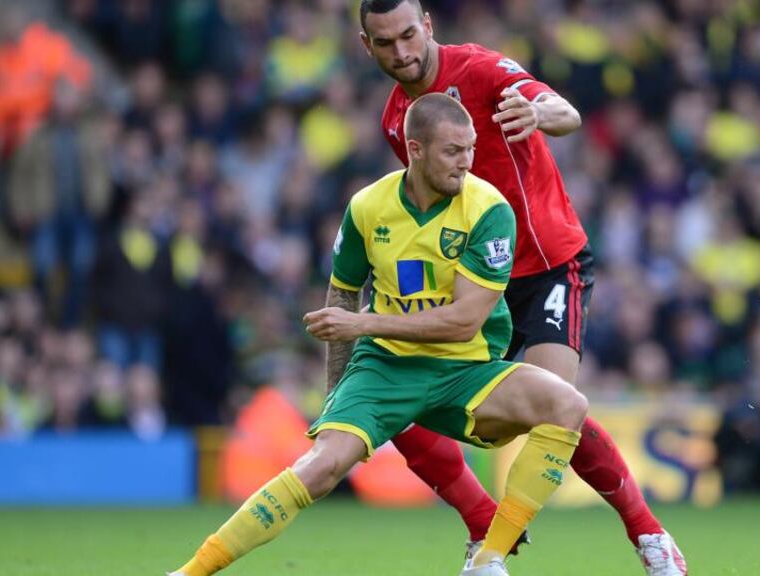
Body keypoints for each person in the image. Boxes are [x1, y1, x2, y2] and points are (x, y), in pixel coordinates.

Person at [169, 93, 588, 576]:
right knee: (320, 468)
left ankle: (489, 556)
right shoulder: (367, 207)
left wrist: (365, 323)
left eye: (470, 149)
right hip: (386, 366)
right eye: (454, 151)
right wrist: (336, 395)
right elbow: (342, 296)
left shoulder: (489, 209)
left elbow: (462, 322)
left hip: (467, 368)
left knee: (568, 405)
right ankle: (190, 573)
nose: (467, 163)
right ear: (415, 149)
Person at [359, 1, 686, 573]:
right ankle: (484, 529)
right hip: (476, 282)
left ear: (428, 25)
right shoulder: (396, 120)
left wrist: (540, 116)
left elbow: (563, 110)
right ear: (368, 45)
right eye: (385, 43)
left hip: (546, 267)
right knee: (392, 402)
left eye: (409, 35)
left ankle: (649, 535)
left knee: (552, 407)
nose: (402, 53)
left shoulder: (481, 70)